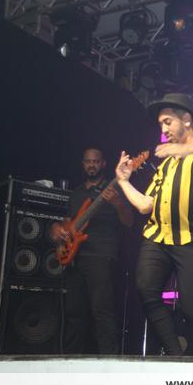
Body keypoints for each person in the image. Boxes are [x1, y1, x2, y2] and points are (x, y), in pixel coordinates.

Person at [115, 93, 193, 356]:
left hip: (189, 238)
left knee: (192, 310)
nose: (163, 130)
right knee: (146, 291)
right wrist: (124, 182)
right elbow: (145, 205)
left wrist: (191, 150)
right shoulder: (168, 164)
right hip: (157, 237)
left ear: (186, 119)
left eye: (167, 122)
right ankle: (176, 355)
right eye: (160, 124)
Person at [51, 148, 134, 354]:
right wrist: (57, 228)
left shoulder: (113, 188)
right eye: (88, 161)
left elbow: (129, 221)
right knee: (74, 312)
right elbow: (68, 221)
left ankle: (108, 361)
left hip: (101, 255)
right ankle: (71, 361)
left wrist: (117, 204)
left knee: (102, 311)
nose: (92, 165)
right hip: (76, 256)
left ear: (103, 163)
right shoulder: (77, 192)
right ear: (83, 164)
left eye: (96, 161)